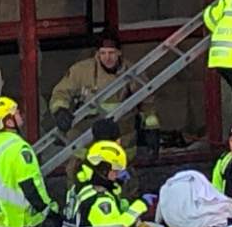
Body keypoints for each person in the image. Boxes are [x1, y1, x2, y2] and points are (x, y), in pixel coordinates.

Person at [48, 30, 160, 159]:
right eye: (103, 53)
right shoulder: (81, 71)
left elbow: (147, 104)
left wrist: (152, 130)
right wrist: (60, 110)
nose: (107, 57)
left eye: (111, 53)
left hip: (122, 140)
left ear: (119, 52)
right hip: (86, 141)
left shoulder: (133, 72)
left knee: (123, 176)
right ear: (97, 53)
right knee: (81, 176)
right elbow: (61, 92)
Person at [0, 96, 59, 227]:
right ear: (8, 121)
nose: (20, 114)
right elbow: (30, 186)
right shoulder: (18, 147)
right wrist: (48, 212)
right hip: (15, 221)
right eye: (16, 112)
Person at [65, 140, 153, 227]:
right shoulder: (100, 199)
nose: (118, 173)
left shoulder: (80, 188)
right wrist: (141, 204)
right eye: (115, 170)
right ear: (104, 171)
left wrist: (124, 204)